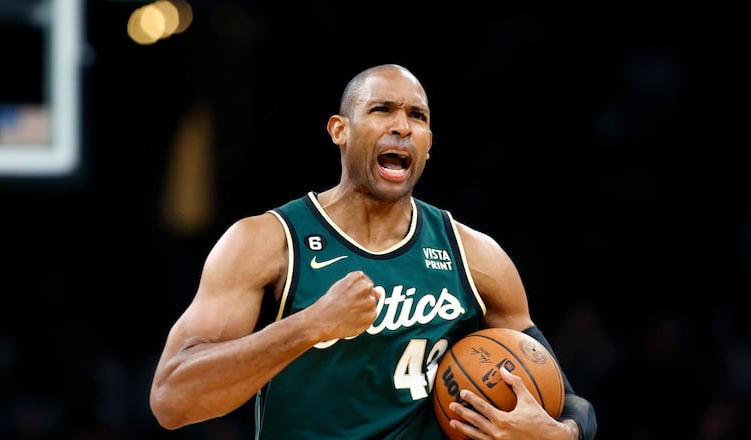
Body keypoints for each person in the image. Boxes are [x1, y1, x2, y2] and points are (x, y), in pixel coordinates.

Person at [149, 63, 597, 439]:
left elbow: (570, 401)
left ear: (428, 142)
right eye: (382, 109)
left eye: (417, 116)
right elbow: (172, 399)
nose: (402, 126)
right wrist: (309, 325)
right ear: (339, 130)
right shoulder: (267, 241)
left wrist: (560, 434)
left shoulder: (474, 256)